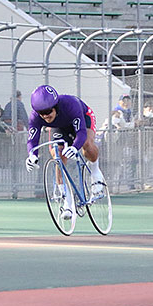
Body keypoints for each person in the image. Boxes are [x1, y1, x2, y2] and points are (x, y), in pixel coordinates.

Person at [25, 85, 106, 220]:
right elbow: (32, 139)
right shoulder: (36, 117)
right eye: (41, 113)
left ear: (55, 106)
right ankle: (67, 201)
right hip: (59, 127)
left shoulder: (70, 104)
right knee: (57, 155)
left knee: (86, 144)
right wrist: (32, 155)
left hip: (82, 118)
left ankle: (95, 172)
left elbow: (80, 133)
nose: (45, 116)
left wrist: (74, 147)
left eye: (48, 111)